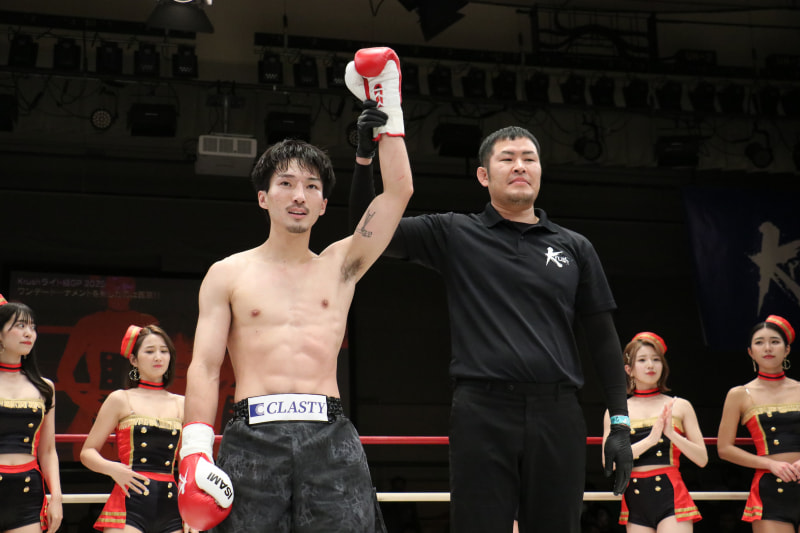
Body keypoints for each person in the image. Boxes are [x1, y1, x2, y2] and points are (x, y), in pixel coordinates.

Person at [349, 122, 633, 532]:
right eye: (507, 158)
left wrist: (620, 422)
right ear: (483, 175)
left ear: (540, 171)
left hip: (557, 413)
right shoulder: (455, 232)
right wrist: (364, 159)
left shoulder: (575, 246)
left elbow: (603, 337)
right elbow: (367, 231)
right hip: (482, 411)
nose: (520, 166)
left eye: (529, 159)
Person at [177, 46, 413, 532]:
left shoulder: (341, 266)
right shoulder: (227, 273)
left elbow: (397, 193)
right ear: (263, 198)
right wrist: (195, 450)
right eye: (285, 183)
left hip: (329, 435)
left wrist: (388, 111)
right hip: (251, 435)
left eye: (311, 186)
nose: (299, 195)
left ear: (324, 204)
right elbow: (204, 365)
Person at [80, 324, 193, 533]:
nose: (158, 357)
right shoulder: (120, 399)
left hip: (171, 505)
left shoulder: (182, 403)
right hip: (128, 503)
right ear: (133, 360)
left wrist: (192, 510)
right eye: (149, 351)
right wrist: (113, 469)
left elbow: (188, 463)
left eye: (164, 351)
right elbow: (87, 452)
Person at [603, 332, 707, 532]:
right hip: (635, 497)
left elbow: (702, 459)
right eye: (642, 360)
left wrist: (672, 434)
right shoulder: (617, 410)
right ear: (628, 369)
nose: (650, 365)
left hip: (671, 494)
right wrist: (651, 440)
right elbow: (610, 463)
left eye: (656, 359)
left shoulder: (680, 405)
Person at [57, 276, 158, 460]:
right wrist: (85, 401)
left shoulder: (147, 323)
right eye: (116, 283)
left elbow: (159, 370)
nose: (122, 288)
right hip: (94, 408)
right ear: (105, 288)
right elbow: (64, 371)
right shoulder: (88, 323)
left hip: (137, 408)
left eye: (128, 283)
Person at [717, 315, 800, 532]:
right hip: (770, 489)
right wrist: (770, 464)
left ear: (787, 350)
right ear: (750, 352)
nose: (767, 348)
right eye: (759, 342)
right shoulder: (739, 394)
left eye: (775, 341)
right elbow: (724, 449)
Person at [0, 294, 63, 532]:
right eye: (20, 326)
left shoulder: (45, 387)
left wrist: (56, 497)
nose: (29, 333)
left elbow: (48, 450)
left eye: (32, 327)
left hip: (27, 490)